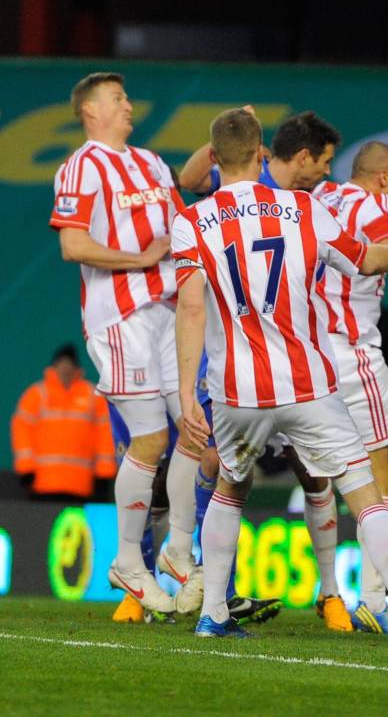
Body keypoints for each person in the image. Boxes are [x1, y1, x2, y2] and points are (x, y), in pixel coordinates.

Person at [172, 108, 388, 648]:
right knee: (365, 495)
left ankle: (213, 614)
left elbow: (189, 308)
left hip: (236, 391)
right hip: (308, 385)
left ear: (214, 157)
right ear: (261, 156)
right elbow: (367, 261)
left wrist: (188, 396)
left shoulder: (192, 222)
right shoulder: (303, 208)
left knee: (232, 489)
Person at [184, 107, 352, 631]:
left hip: (255, 371)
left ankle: (327, 594)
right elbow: (189, 178)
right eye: (322, 163)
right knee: (223, 471)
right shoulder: (294, 206)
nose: (325, 173)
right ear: (286, 155)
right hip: (271, 369)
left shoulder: (224, 210)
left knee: (300, 474)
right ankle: (215, 591)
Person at [50, 71, 197, 615]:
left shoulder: (153, 163)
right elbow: (72, 244)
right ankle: (129, 560)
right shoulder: (81, 167)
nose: (129, 104)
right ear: (90, 111)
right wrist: (141, 258)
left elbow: (181, 228)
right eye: (117, 98)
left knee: (196, 431)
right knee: (151, 440)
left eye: (128, 96)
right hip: (120, 318)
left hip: (167, 313)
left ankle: (178, 550)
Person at [310, 140, 388, 634]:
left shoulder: (323, 198)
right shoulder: (375, 204)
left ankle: (207, 583)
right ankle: (378, 596)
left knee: (324, 476)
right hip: (353, 354)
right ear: (383, 177)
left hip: (310, 353)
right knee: (381, 469)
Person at [12, 344, 115, 501]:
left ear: (76, 368)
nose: (65, 369)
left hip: (81, 486)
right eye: (62, 364)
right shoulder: (36, 395)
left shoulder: (93, 396)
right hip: (43, 484)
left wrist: (104, 473)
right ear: (54, 366)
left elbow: (106, 435)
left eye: (70, 364)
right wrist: (25, 469)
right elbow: (22, 431)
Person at [178, 109, 340, 194]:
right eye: (326, 162)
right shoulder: (242, 173)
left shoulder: (311, 199)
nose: (327, 171)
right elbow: (187, 181)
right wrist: (230, 133)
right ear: (304, 157)